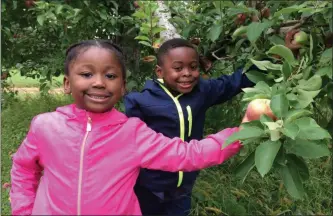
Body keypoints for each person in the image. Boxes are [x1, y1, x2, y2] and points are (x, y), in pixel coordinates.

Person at [10, 39, 248, 215]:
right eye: (86, 73)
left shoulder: (132, 133)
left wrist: (243, 130)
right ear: (66, 83)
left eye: (111, 76)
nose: (99, 82)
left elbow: (187, 154)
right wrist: (24, 210)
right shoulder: (45, 126)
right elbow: (23, 169)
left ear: (123, 86)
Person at [124, 38, 261, 215]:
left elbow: (233, 83)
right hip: (148, 188)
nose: (187, 73)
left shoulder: (202, 92)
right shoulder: (140, 102)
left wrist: (275, 59)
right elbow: (129, 147)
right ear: (160, 71)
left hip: (183, 187)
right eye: (178, 68)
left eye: (193, 67)